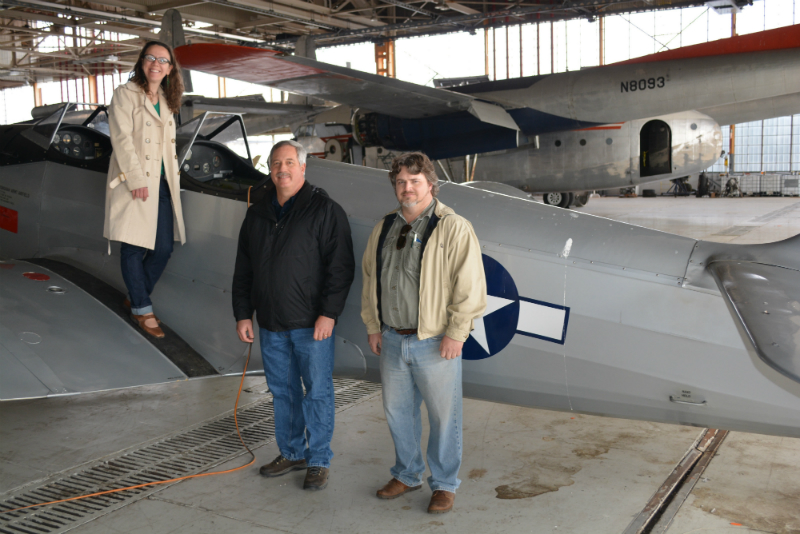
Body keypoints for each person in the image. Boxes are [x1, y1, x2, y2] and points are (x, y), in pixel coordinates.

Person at [360, 152, 486, 514]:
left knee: (445, 417)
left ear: (430, 184)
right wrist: (374, 326)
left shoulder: (453, 226)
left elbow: (471, 286)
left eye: (414, 181)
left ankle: (445, 484)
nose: (406, 187)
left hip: (434, 341)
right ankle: (408, 473)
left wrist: (457, 333)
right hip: (393, 338)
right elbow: (371, 280)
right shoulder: (383, 227)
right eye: (400, 181)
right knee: (398, 413)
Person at [232, 140, 355, 491]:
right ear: (269, 170)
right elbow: (244, 269)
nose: (282, 169)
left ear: (303, 167)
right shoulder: (257, 213)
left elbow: (340, 268)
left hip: (311, 325)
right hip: (270, 325)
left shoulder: (325, 210)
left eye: (289, 162)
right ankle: (291, 452)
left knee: (317, 393)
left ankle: (318, 460)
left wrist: (328, 314)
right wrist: (243, 314)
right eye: (275, 163)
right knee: (283, 392)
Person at [103, 40, 186, 339]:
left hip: (162, 183)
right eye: (150, 58)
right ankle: (142, 307)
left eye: (163, 60)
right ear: (141, 62)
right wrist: (136, 179)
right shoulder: (125, 94)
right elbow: (121, 140)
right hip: (135, 181)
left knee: (163, 248)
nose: (156, 64)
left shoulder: (166, 99)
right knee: (134, 245)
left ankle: (136, 295)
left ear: (170, 68)